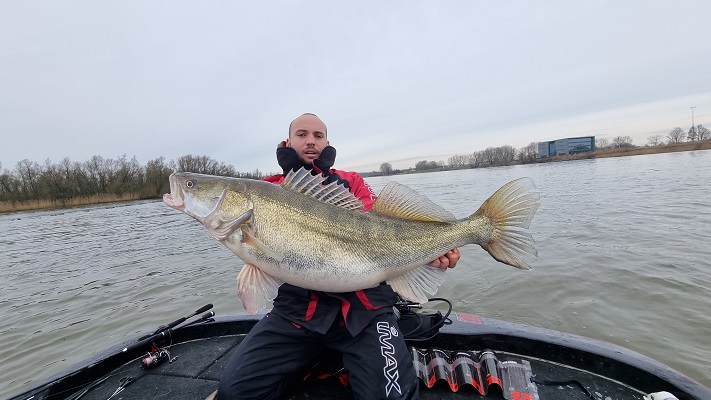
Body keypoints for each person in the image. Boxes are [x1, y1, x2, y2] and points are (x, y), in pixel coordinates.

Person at [217, 113, 460, 400]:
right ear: (288, 141)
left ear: (327, 142)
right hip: (298, 312)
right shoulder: (268, 189)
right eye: (302, 134)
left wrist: (432, 254)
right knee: (234, 393)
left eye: (318, 136)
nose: (310, 141)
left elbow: (382, 230)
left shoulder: (351, 182)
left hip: (365, 311)